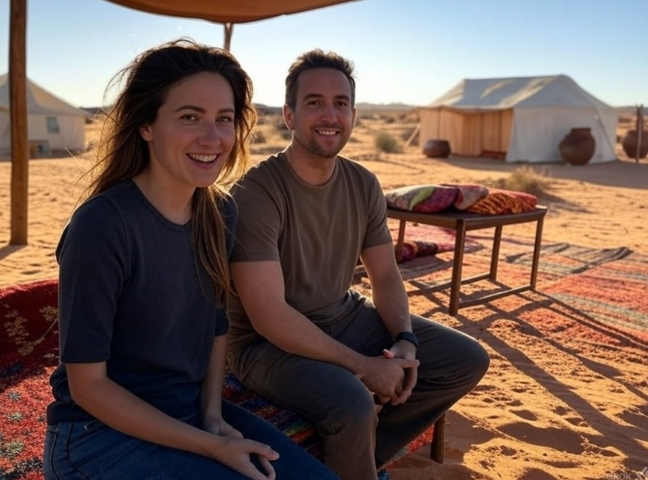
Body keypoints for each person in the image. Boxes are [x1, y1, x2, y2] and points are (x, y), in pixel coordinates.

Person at [43, 39, 339, 480]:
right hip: (96, 437)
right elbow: (89, 387)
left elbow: (216, 325)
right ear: (146, 124)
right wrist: (212, 445)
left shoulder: (220, 213)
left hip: (190, 417)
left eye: (224, 119)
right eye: (189, 117)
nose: (212, 138)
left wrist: (215, 416)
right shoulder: (103, 227)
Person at [226, 48, 491, 480]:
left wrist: (403, 339)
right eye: (314, 103)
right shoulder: (259, 192)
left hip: (343, 314)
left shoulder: (362, 182)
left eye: (341, 103)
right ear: (290, 116)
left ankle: (362, 457)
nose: (330, 115)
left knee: (466, 358)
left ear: (353, 115)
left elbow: (384, 275)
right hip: (264, 345)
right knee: (350, 401)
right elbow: (269, 316)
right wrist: (365, 366)